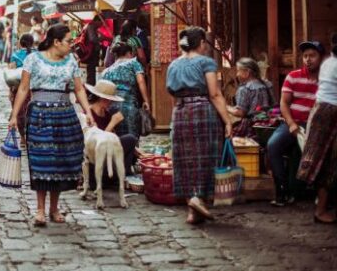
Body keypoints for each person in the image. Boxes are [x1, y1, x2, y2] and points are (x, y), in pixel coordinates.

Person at [9, 24, 95, 226]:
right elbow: (23, 89)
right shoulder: (33, 60)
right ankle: (39, 209)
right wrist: (14, 115)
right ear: (56, 42)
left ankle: (54, 208)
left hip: (64, 115)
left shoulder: (71, 61)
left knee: (59, 161)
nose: (71, 45)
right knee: (41, 160)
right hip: (40, 114)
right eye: (68, 41)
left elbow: (79, 89)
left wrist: (88, 111)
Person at [166, 26, 233, 224]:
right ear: (202, 43)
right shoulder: (206, 62)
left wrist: (175, 117)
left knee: (185, 158)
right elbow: (214, 94)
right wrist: (227, 121)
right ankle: (198, 198)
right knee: (205, 156)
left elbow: (173, 96)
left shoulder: (173, 65)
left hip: (180, 112)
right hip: (203, 111)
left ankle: (192, 211)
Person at [268, 41, 324, 206]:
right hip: (293, 123)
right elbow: (284, 103)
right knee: (273, 145)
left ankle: (319, 193)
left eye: (312, 55)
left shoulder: (327, 80)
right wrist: (291, 123)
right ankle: (282, 191)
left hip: (316, 127)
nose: (308, 59)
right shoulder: (293, 76)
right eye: (305, 56)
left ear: (321, 58)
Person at [298, 34, 337, 223]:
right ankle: (321, 210)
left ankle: (322, 208)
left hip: (321, 111)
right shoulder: (334, 64)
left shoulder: (329, 62)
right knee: (326, 162)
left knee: (325, 161)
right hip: (329, 114)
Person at [86, 80, 138, 176]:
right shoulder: (89, 115)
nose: (110, 103)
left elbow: (114, 139)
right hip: (96, 157)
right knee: (130, 138)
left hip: (109, 154)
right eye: (109, 100)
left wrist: (136, 150)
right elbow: (97, 144)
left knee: (131, 140)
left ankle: (124, 174)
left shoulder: (106, 114)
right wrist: (112, 123)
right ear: (103, 99)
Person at [101, 43, 150, 137]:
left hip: (112, 107)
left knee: (116, 137)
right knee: (131, 137)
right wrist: (146, 100)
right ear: (129, 53)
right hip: (129, 106)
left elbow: (102, 90)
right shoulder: (133, 63)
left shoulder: (107, 71)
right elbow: (141, 81)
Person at [226, 57, 275, 137]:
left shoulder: (244, 89)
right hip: (268, 125)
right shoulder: (267, 84)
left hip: (252, 127)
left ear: (247, 72)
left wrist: (226, 107)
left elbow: (240, 113)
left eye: (238, 71)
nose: (237, 74)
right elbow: (273, 104)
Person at [8, 33, 35, 142]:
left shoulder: (15, 55)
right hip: (33, 88)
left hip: (18, 88)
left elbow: (11, 76)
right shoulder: (37, 55)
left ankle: (23, 138)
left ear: (20, 42)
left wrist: (10, 91)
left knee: (19, 113)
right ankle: (30, 135)